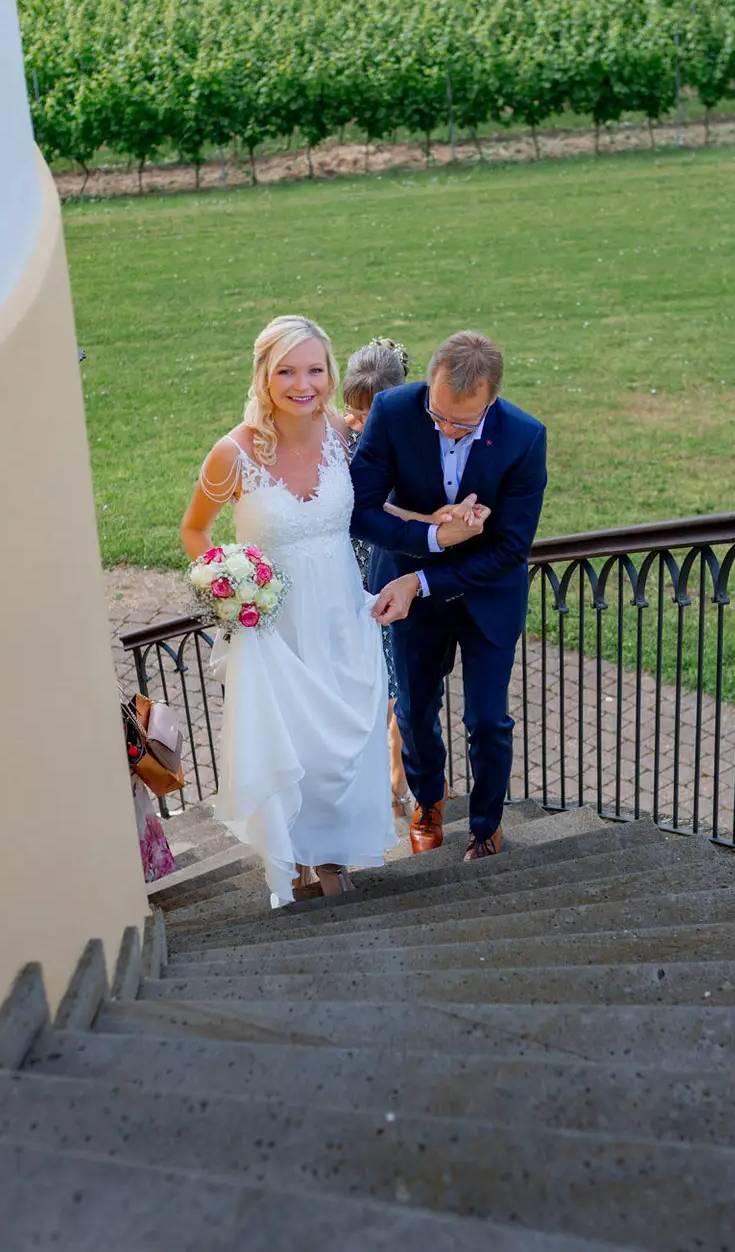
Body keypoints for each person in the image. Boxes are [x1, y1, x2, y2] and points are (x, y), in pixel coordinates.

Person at [180, 316, 485, 903]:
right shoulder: (232, 455)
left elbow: (374, 511)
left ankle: (330, 858)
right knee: (294, 747)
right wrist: (230, 588)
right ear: (264, 376)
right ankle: (306, 863)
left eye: (316, 370)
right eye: (287, 371)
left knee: (343, 745)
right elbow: (195, 531)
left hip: (345, 617)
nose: (303, 384)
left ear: (330, 373)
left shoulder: (345, 438)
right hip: (274, 628)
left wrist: (433, 523)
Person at [350, 331, 547, 860]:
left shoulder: (525, 438)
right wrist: (433, 537)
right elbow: (360, 509)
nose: (444, 428)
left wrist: (426, 579)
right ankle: (429, 801)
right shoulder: (393, 411)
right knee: (414, 713)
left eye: (462, 422)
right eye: (438, 414)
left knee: (487, 719)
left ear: (491, 400)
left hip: (486, 595)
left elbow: (509, 548)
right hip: (406, 586)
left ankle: (485, 827)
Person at [340, 338, 415, 831]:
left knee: (401, 673)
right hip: (347, 567)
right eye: (353, 410)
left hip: (395, 567)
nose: (360, 422)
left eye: (370, 412)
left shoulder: (415, 438)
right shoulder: (332, 438)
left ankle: (398, 762)